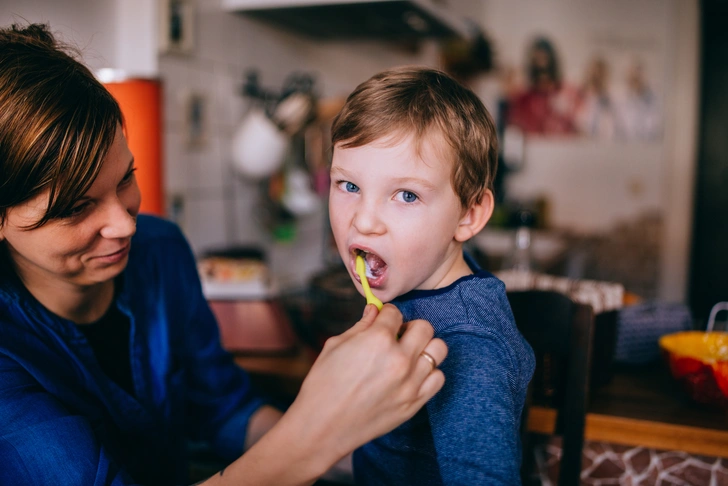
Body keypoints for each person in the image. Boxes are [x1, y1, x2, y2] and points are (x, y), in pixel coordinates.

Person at [0, 23, 449, 486]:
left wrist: (372, 465)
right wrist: (317, 428)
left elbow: (225, 411)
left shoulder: (159, 253)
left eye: (125, 180)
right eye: (77, 207)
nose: (125, 224)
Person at [328, 66, 536, 484]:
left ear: (469, 215)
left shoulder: (467, 344)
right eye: (349, 186)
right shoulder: (426, 276)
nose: (364, 221)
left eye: (406, 195)